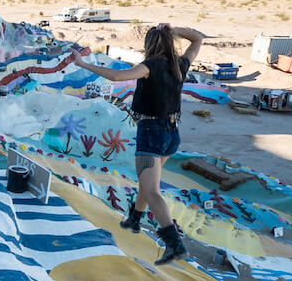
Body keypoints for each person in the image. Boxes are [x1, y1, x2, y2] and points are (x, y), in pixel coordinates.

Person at [69, 24, 204, 264]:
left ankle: (174, 244)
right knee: (146, 182)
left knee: (152, 190)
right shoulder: (179, 65)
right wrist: (175, 31)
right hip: (171, 133)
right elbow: (197, 40)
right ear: (169, 42)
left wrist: (82, 64)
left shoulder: (151, 66)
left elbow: (116, 76)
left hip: (151, 133)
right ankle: (134, 218)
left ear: (150, 45)